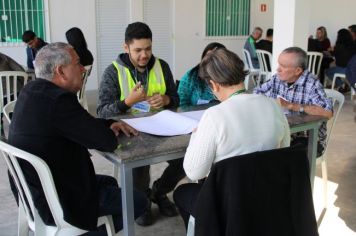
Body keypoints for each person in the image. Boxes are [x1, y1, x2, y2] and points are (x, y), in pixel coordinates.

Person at [8, 42, 147, 234]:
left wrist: (107, 123)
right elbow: (106, 142)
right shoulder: (58, 101)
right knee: (138, 202)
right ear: (61, 71)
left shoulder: (33, 91)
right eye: (77, 63)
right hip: (57, 200)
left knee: (109, 182)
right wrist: (105, 130)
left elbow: (80, 123)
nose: (83, 69)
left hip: (33, 191)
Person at [173, 48, 291, 229]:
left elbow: (194, 172)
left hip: (229, 204)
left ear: (214, 85)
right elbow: (284, 149)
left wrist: (196, 135)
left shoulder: (214, 116)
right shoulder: (273, 106)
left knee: (182, 193)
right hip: (268, 196)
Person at [97, 22, 183, 226]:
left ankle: (159, 192)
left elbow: (176, 98)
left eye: (148, 49)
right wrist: (127, 102)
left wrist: (167, 100)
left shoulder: (162, 66)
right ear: (125, 47)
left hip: (162, 127)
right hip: (130, 132)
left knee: (187, 157)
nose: (144, 55)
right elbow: (102, 111)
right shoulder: (113, 72)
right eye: (138, 50)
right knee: (139, 163)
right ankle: (142, 201)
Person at [254, 47, 333, 157]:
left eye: (283, 66)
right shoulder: (277, 78)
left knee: (276, 157)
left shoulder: (312, 84)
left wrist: (291, 105)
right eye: (279, 64)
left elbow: (327, 113)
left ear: (298, 71)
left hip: (308, 140)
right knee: (253, 147)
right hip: (282, 133)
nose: (278, 69)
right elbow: (257, 93)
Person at [177, 42, 225, 106]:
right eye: (208, 57)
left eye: (216, 58)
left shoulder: (228, 76)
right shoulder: (190, 76)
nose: (212, 61)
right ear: (203, 59)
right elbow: (181, 103)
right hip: (193, 114)